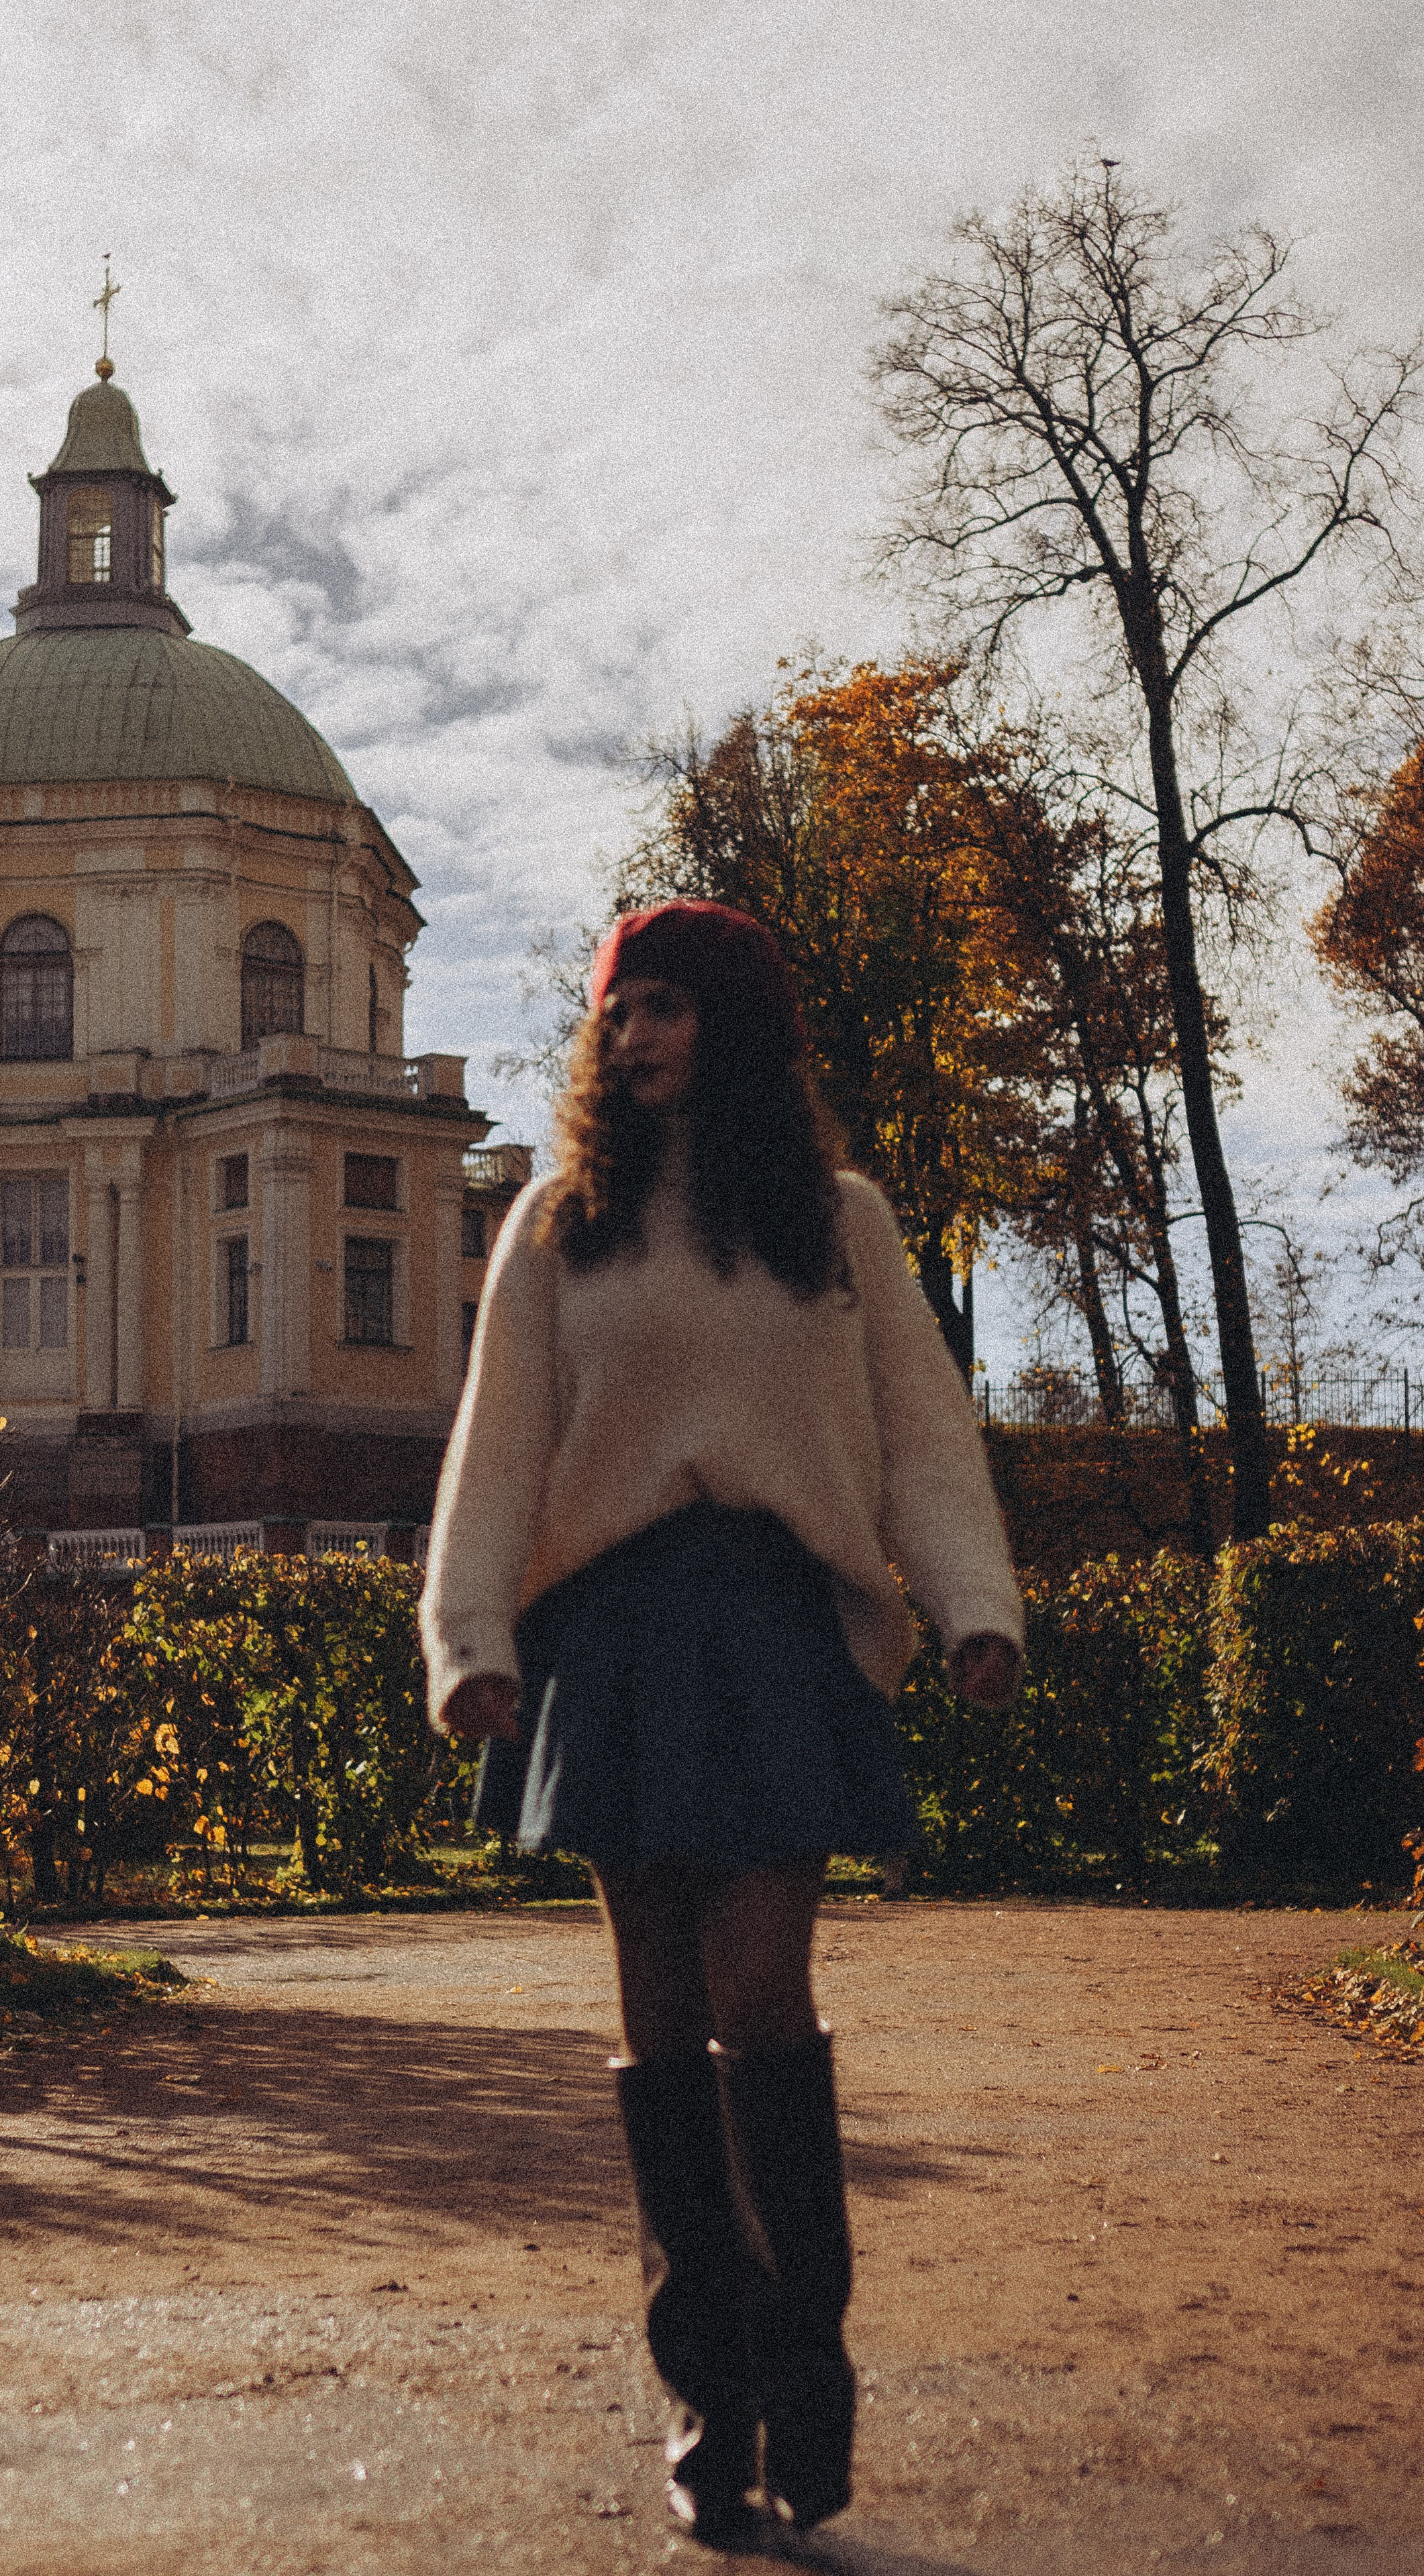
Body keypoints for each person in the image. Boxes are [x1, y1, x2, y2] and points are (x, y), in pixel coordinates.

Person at [420, 901, 1023, 2548]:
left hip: (775, 1628)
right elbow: (498, 1450)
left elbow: (919, 1432)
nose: (637, 1040)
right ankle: (707, 2398)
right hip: (610, 1634)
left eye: (671, 1011)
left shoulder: (836, 1223)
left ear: (738, 1031)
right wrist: (467, 1640)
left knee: (762, 1992)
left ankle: (803, 2372)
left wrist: (971, 1605)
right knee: (659, 2012)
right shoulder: (561, 1225)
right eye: (622, 1016)